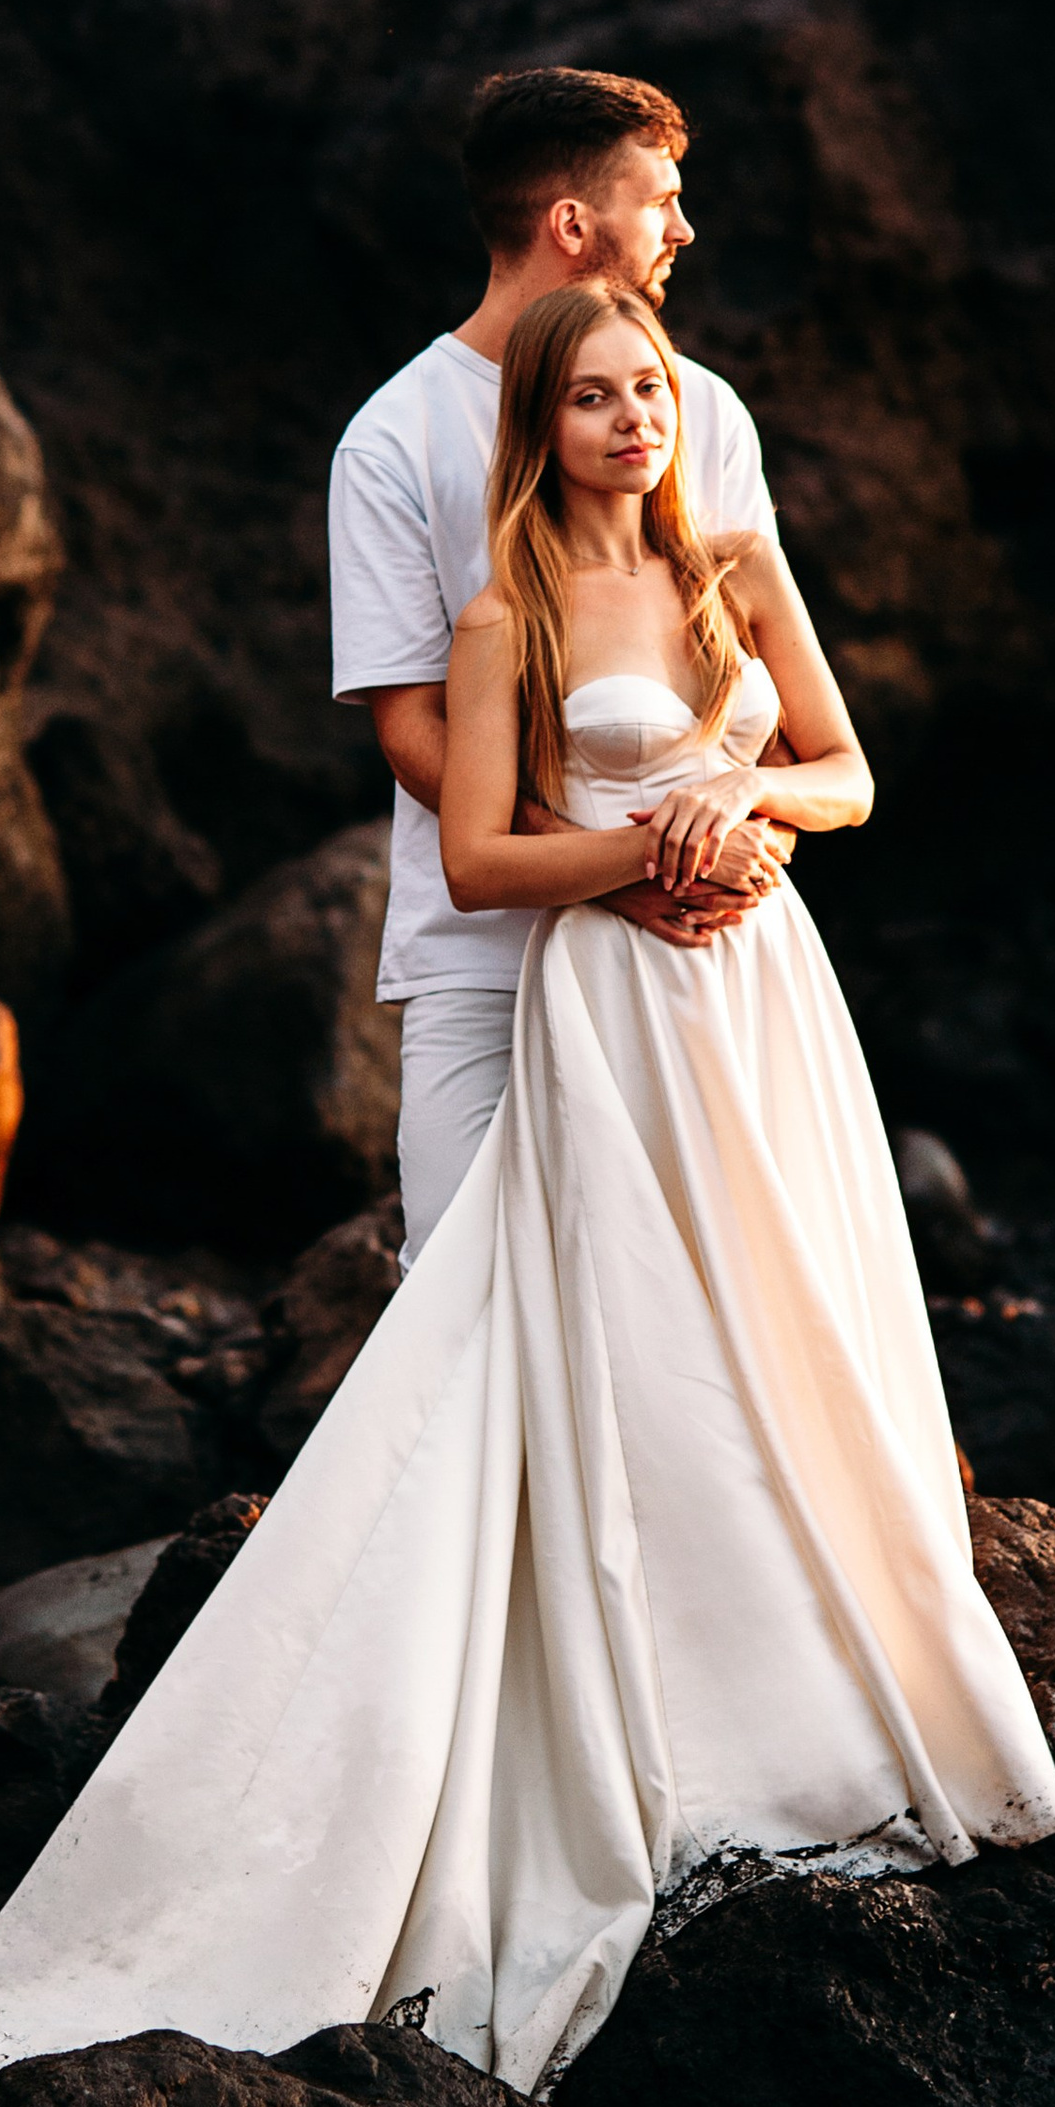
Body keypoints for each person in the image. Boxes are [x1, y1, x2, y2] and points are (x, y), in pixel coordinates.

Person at [0, 277, 1055, 2107]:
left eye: (657, 389)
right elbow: (474, 860)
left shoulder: (729, 565)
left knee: (786, 1335)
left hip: (760, 998)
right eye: (602, 395)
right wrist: (645, 852)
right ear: (541, 425)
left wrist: (744, 814)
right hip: (613, 994)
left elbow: (843, 769)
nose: (644, 416)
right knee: (633, 1352)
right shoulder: (502, 618)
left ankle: (821, 1675)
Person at [330, 66, 789, 1268]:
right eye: (662, 199)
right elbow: (411, 724)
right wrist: (597, 868)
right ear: (573, 224)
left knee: (688, 1308)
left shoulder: (701, 412)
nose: (684, 228)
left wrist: (740, 833)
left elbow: (757, 709)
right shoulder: (396, 435)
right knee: (468, 1289)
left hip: (696, 950)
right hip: (481, 956)